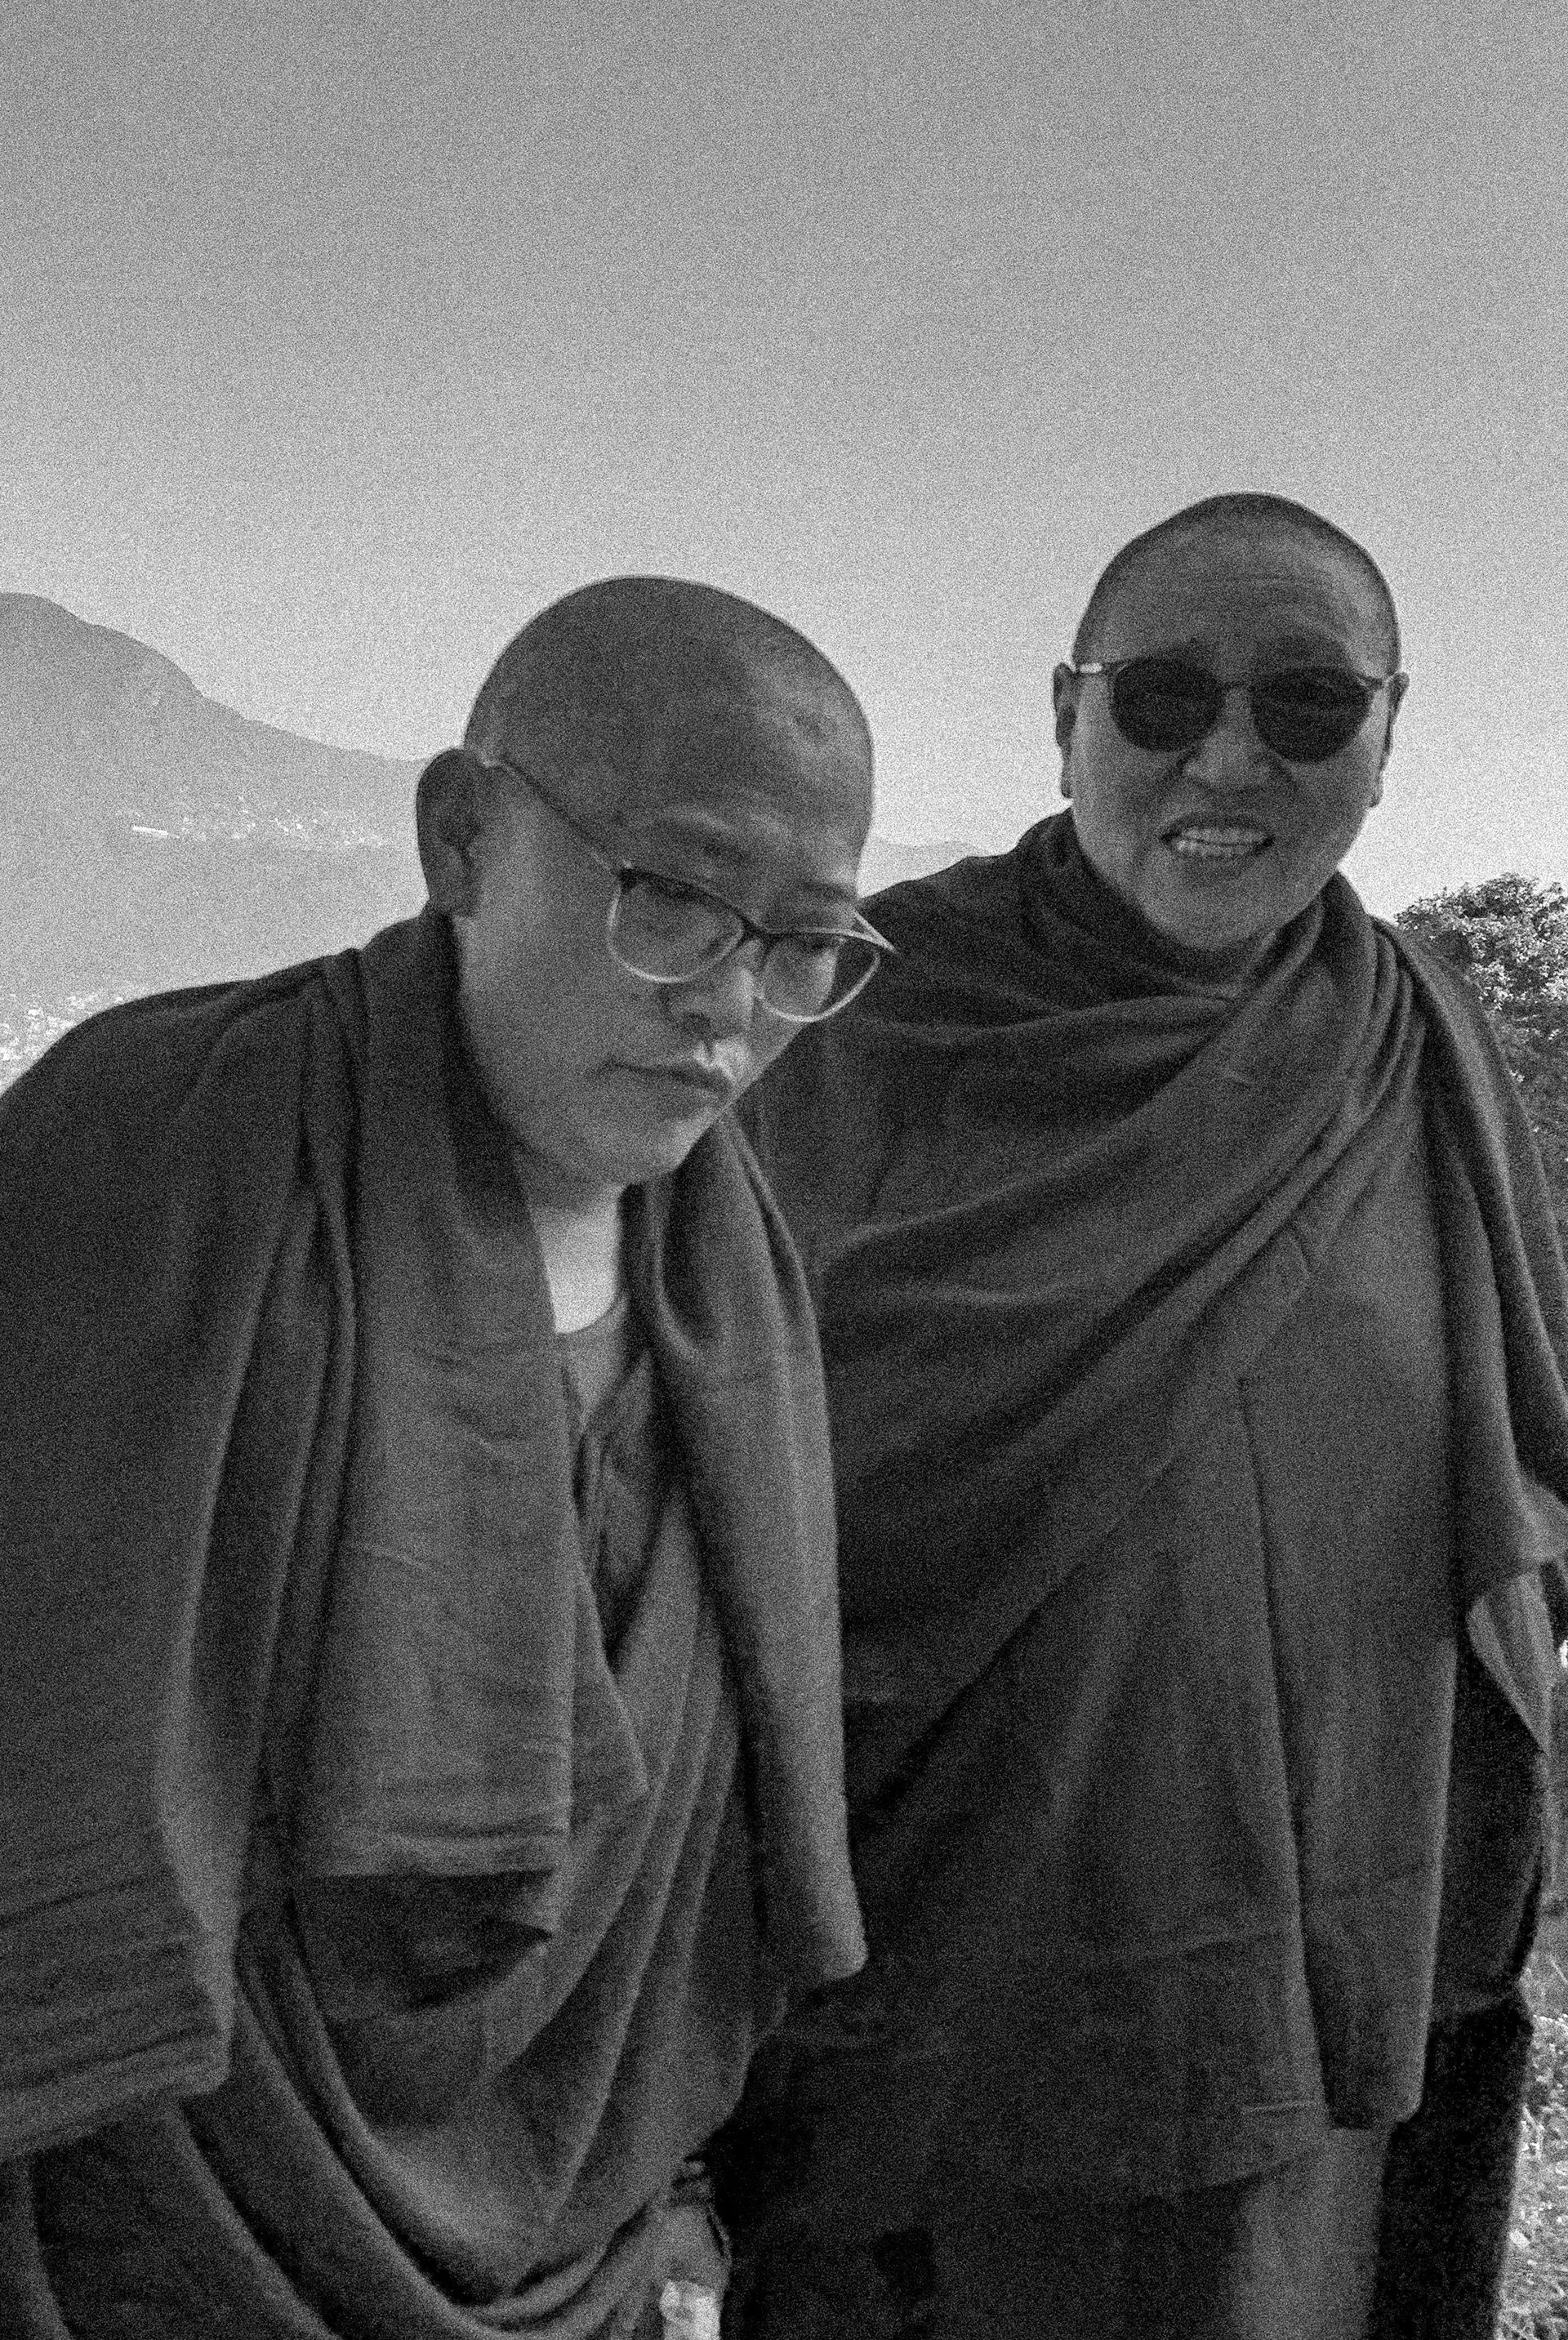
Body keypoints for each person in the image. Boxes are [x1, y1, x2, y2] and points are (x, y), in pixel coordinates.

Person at [715, 495, 1568, 2339]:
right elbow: (671, 1518)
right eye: (1165, 696)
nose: (1232, 757)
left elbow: (1521, 1475)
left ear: (1391, 729)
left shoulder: (1416, 1039)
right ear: (1065, 714)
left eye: (1308, 703)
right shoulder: (854, 1029)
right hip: (932, 2043)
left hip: (1320, 2041)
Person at [0, 576, 884, 2338]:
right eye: (671, 896)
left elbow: (702, 1856)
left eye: (802, 944)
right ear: (461, 836)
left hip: (579, 2242)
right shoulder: (155, 1143)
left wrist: (679, 2194)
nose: (729, 1004)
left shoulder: (737, 1285)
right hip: (150, 2234)